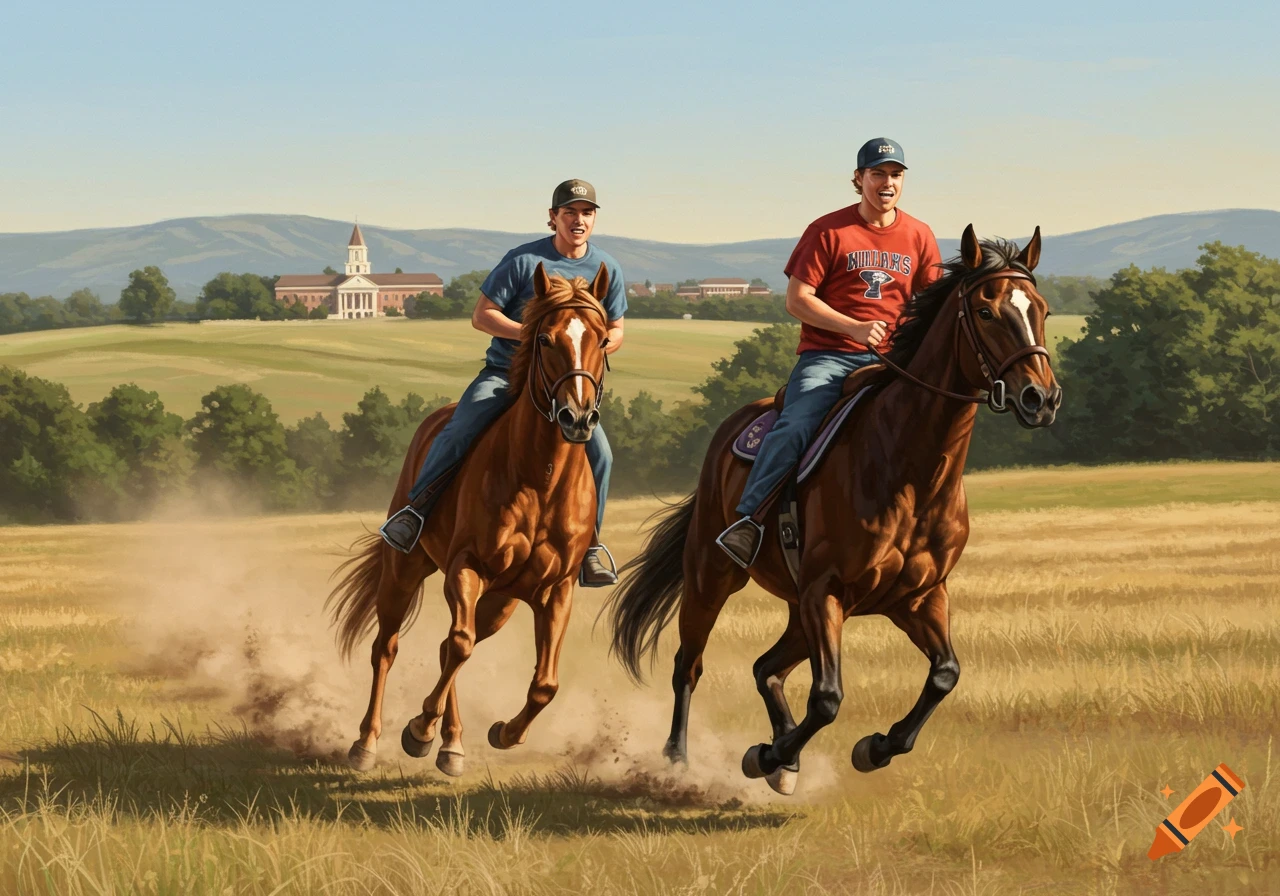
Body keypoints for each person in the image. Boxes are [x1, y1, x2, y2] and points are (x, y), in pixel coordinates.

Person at [380, 179, 628, 586]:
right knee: (459, 429)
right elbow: (483, 316)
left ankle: (592, 548)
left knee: (601, 455)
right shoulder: (523, 261)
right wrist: (533, 337)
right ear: (553, 218)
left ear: (595, 218)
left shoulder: (607, 268)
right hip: (504, 375)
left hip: (565, 386)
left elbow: (615, 329)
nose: (578, 220)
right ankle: (415, 512)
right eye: (569, 212)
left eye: (586, 212)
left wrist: (596, 346)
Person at [716, 138, 943, 568]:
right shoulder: (828, 230)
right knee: (797, 423)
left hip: (896, 363)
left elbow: (929, 304)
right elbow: (797, 299)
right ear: (859, 180)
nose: (887, 183)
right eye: (878, 174)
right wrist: (853, 327)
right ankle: (749, 520)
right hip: (830, 356)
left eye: (895, 175)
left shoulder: (920, 235)